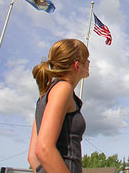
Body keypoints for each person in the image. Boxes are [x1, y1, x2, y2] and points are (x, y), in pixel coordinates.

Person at [28, 39, 90, 173]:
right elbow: (43, 148)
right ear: (77, 65)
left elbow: (33, 157)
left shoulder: (44, 95)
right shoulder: (63, 88)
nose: (89, 63)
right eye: (87, 59)